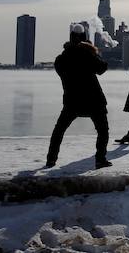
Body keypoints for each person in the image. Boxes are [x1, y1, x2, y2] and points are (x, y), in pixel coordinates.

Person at [46, 24, 112, 169]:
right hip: (93, 99)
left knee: (59, 130)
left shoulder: (60, 59)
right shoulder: (88, 55)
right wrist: (93, 51)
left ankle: (51, 159)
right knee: (103, 130)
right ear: (84, 38)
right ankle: (100, 159)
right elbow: (102, 68)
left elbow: (62, 72)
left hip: (72, 100)